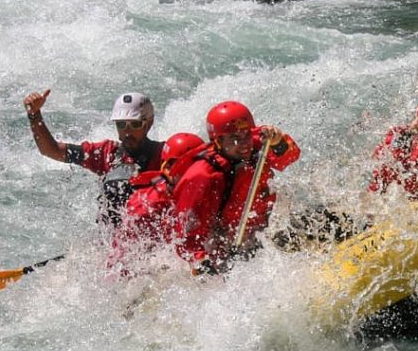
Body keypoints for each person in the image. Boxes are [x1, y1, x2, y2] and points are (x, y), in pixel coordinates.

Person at [171, 101, 300, 273]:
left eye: (246, 134)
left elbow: (289, 157)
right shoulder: (203, 176)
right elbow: (187, 236)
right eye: (235, 138)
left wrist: (278, 142)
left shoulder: (259, 144)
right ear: (218, 141)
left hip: (266, 229)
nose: (245, 143)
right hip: (228, 245)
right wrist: (202, 262)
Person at [23, 88, 163, 226]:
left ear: (149, 124)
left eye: (135, 124)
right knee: (115, 181)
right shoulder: (106, 153)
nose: (127, 131)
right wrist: (34, 115)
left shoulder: (164, 154)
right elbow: (51, 150)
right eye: (121, 124)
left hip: (152, 232)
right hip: (114, 239)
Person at [108, 132, 208, 275]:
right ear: (168, 169)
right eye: (191, 168)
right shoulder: (148, 206)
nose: (199, 173)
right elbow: (127, 258)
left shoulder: (202, 187)